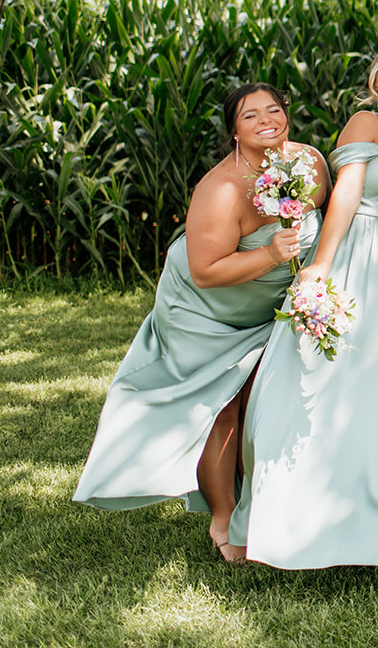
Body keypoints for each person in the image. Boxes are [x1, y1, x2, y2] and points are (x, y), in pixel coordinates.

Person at [228, 45, 378, 576]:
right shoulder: (365, 125)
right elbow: (348, 196)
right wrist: (320, 267)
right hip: (356, 261)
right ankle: (292, 522)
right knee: (321, 382)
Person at [74, 83, 326, 562]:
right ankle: (223, 519)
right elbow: (206, 272)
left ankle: (265, 505)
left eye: (273, 110)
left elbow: (332, 218)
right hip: (204, 311)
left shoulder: (309, 161)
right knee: (222, 405)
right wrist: (272, 255)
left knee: (262, 398)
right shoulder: (221, 189)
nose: (266, 120)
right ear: (234, 131)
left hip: (270, 308)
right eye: (250, 116)